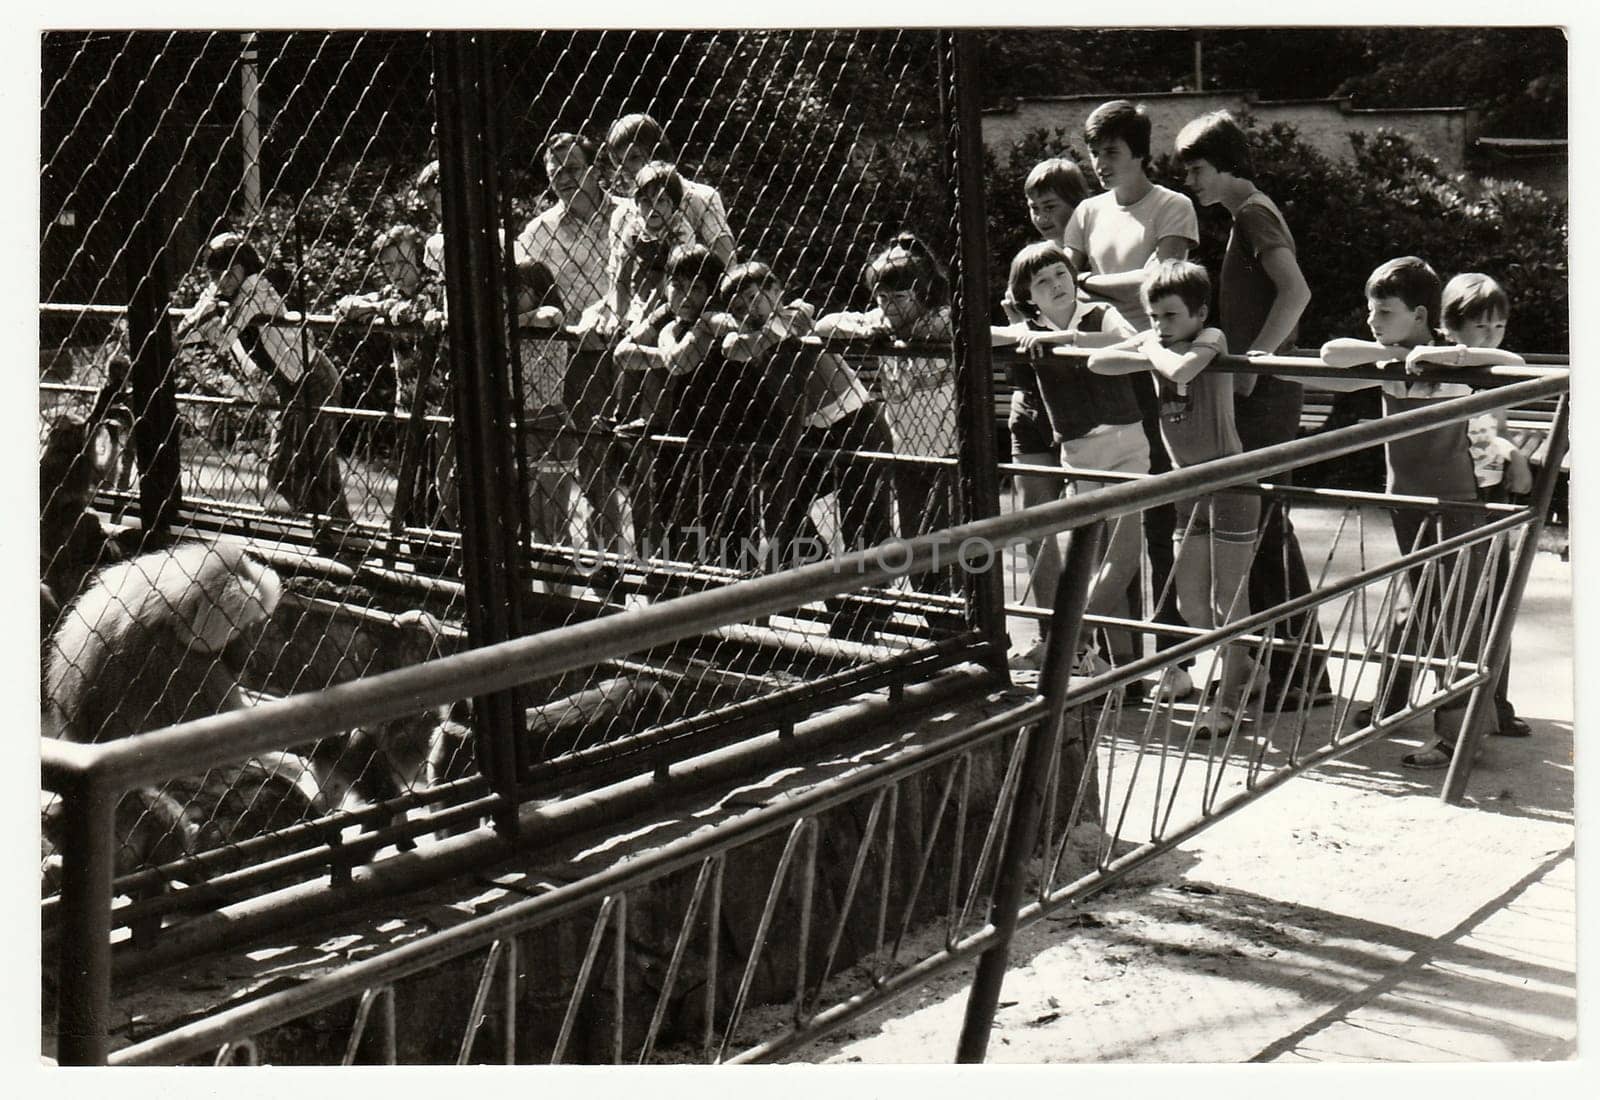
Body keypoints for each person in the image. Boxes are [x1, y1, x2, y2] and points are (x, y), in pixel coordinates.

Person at [1317, 259, 1527, 766]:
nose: (1372, 319)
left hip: (1453, 502)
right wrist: (1394, 354)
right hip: (1407, 501)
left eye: (1382, 312)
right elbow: (1330, 356)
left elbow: (1513, 363)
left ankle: (1460, 730)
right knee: (1423, 599)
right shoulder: (1392, 354)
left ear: (1416, 313)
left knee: (1460, 610)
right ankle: (1396, 697)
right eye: (1371, 310)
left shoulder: (1451, 357)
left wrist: (1441, 357)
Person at [1176, 109, 1331, 710]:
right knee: (1263, 526)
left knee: (1262, 525)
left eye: (1197, 169)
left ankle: (1298, 670)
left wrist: (1258, 359)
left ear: (1227, 164)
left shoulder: (1253, 213)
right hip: (1258, 393)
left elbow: (1297, 292)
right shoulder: (1246, 216)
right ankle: (1284, 665)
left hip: (1266, 397)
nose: (1191, 181)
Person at [1089, 261, 1259, 740]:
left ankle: (1227, 704)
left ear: (1199, 312)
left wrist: (1150, 349)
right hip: (1187, 490)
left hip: (1229, 485)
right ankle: (1250, 666)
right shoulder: (1159, 344)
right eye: (1153, 317)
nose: (1159, 326)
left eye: (1168, 316)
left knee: (1228, 602)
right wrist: (1147, 346)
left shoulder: (1212, 339)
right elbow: (1098, 362)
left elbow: (1184, 368)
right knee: (1192, 609)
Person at [1065, 100, 1201, 700]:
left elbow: (1163, 277)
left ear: (1140, 153)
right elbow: (1060, 281)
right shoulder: (1088, 213)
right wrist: (1101, 284)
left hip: (1161, 369)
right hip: (1108, 373)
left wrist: (1092, 282)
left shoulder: (1173, 206)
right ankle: (1119, 663)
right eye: (1093, 154)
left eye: (1111, 153)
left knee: (1160, 521)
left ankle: (1172, 660)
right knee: (1115, 525)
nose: (1100, 164)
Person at [991, 241, 1151, 682]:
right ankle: (1078, 648)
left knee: (1124, 552)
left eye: (1060, 274)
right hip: (1079, 453)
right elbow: (981, 335)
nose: (1056, 284)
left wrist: (1062, 338)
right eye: (1042, 282)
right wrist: (1020, 329)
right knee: (1087, 553)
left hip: (1124, 444)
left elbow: (1135, 341)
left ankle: (1070, 641)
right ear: (1027, 297)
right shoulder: (1031, 326)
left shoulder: (1098, 314)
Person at [720, 261, 896, 635]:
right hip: (816, 433)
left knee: (864, 523)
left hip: (857, 422)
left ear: (776, 289)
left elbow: (802, 315)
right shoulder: (749, 334)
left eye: (754, 298)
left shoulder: (794, 313)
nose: (748, 310)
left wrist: (766, 333)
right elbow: (732, 347)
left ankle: (869, 614)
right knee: (779, 507)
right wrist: (759, 333)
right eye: (738, 307)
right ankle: (838, 597)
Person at [814, 234, 959, 620]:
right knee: (913, 547)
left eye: (899, 299)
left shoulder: (939, 317)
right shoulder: (878, 321)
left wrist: (910, 336)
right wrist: (864, 330)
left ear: (921, 292)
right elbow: (826, 323)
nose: (889, 308)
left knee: (948, 543)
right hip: (906, 453)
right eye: (882, 298)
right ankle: (940, 623)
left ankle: (960, 622)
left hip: (949, 453)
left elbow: (953, 325)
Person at [177, 232, 351, 522]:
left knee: (313, 463)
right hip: (291, 385)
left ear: (244, 268)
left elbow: (220, 339)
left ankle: (335, 528)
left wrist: (207, 318)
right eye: (215, 274)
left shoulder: (255, 288)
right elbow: (185, 332)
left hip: (313, 379)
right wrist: (206, 316)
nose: (222, 281)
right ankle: (326, 523)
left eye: (229, 272)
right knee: (284, 467)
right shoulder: (221, 292)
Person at [514, 133, 632, 558]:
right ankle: (607, 568)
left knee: (648, 466)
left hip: (637, 353)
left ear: (597, 169)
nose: (563, 179)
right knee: (590, 468)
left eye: (572, 169)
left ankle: (663, 572)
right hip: (575, 360)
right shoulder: (537, 232)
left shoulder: (629, 214)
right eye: (554, 172)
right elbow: (516, 289)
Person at [1003, 158, 1095, 665]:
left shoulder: (1087, 270)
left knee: (1093, 531)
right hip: (1033, 406)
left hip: (1084, 412)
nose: (1040, 216)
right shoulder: (1029, 265)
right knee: (1035, 526)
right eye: (1033, 208)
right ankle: (1048, 638)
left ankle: (1088, 644)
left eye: (1050, 206)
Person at [614, 242, 735, 559]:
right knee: (669, 513)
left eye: (695, 288)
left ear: (710, 290)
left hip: (721, 427)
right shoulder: (666, 313)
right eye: (676, 286)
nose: (684, 297)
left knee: (723, 521)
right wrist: (665, 355)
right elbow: (624, 353)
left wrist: (670, 354)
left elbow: (685, 362)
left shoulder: (716, 316)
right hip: (676, 427)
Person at [336, 224, 454, 530]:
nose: (395, 272)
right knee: (411, 480)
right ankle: (416, 550)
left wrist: (376, 308)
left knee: (439, 484)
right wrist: (368, 305)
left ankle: (440, 551)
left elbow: (415, 311)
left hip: (441, 405)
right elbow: (346, 304)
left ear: (418, 258)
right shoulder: (391, 293)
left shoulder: (435, 287)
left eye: (402, 263)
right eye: (387, 265)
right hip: (407, 405)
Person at [605, 112, 737, 266]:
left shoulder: (701, 198)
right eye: (619, 163)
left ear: (656, 152)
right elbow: (616, 281)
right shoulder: (622, 216)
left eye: (634, 157)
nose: (625, 169)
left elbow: (727, 262)